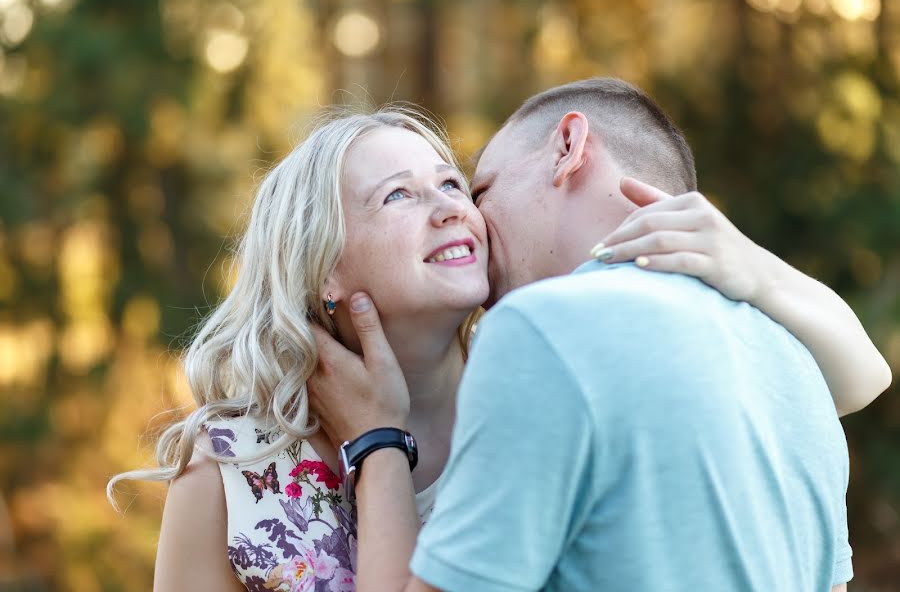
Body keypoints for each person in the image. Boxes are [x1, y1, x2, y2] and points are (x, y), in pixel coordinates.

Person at [106, 97, 888, 591]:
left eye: (456, 185)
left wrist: (749, 263)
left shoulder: (542, 385)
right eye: (399, 195)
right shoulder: (230, 468)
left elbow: (860, 376)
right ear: (324, 269)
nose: (453, 209)